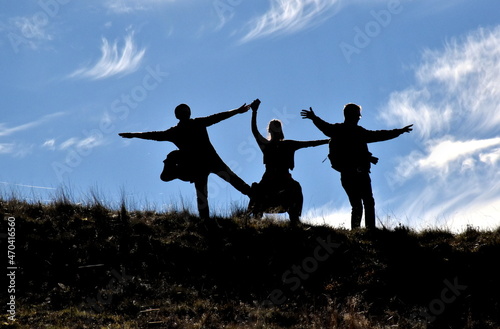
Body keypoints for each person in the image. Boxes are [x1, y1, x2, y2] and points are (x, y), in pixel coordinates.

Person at [119, 102, 252, 219]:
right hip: (203, 164)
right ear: (182, 115)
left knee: (227, 184)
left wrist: (237, 111)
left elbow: (218, 117)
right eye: (183, 112)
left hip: (208, 162)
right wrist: (134, 135)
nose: (185, 114)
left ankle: (255, 196)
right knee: (208, 192)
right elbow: (154, 135)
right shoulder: (187, 127)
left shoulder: (185, 128)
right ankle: (206, 220)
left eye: (185, 111)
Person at [301, 103, 413, 229]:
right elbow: (380, 135)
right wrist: (399, 131)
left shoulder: (338, 130)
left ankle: (358, 231)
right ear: (353, 115)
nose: (359, 117)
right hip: (358, 174)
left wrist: (314, 118)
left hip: (348, 174)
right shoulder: (357, 132)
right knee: (367, 202)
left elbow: (324, 127)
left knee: (358, 205)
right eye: (358, 115)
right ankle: (368, 230)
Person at [249, 99, 328, 225]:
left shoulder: (284, 145)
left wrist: (329, 140)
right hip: (271, 180)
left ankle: (294, 220)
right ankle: (256, 221)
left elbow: (311, 144)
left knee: (295, 189)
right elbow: (254, 131)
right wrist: (254, 112)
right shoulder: (272, 145)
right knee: (258, 191)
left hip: (281, 180)